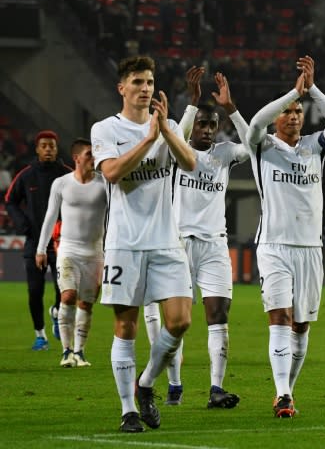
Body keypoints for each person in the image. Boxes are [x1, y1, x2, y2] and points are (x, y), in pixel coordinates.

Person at [91, 55, 197, 433]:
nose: (145, 89)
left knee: (180, 321)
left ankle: (147, 382)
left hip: (167, 242)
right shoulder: (105, 129)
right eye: (137, 82)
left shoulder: (166, 126)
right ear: (122, 88)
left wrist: (166, 133)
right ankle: (127, 410)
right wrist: (149, 139)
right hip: (125, 243)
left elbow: (190, 165)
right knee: (126, 326)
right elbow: (113, 173)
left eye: (149, 82)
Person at [245, 55, 325, 418]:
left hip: (310, 248)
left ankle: (289, 388)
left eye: (298, 112)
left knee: (301, 325)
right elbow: (255, 122)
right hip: (273, 245)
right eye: (287, 111)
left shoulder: (314, 147)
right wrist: (292, 91)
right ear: (277, 117)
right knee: (280, 318)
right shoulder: (263, 146)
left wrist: (312, 89)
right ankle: (283, 394)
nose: (293, 116)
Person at [154, 65, 249, 409]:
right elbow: (172, 136)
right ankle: (174, 384)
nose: (208, 130)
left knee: (218, 314)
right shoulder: (181, 153)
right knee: (177, 322)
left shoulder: (224, 154)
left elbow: (252, 146)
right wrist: (192, 104)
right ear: (193, 125)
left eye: (213, 125)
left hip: (214, 245)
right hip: (177, 244)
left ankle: (216, 389)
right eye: (202, 124)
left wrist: (232, 108)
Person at [36, 138, 106, 367]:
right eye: (89, 154)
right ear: (76, 158)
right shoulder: (62, 183)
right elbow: (50, 216)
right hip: (68, 249)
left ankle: (80, 352)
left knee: (86, 303)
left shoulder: (104, 183)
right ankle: (66, 352)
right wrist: (41, 249)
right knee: (67, 296)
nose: (93, 158)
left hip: (95, 252)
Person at [4, 130, 70, 351]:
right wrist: (23, 225)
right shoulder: (26, 175)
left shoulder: (67, 175)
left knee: (65, 290)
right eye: (44, 146)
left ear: (56, 148)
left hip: (63, 242)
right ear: (37, 149)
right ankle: (40, 335)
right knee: (35, 291)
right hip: (34, 243)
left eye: (51, 145)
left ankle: (57, 313)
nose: (48, 149)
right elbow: (10, 201)